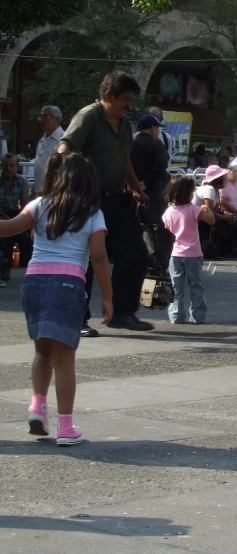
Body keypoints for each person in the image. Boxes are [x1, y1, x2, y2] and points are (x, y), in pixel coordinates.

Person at [0, 153, 112, 446]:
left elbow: (8, 227)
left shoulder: (39, 205)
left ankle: (37, 407)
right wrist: (109, 297)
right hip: (68, 285)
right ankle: (65, 427)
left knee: (42, 352)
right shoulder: (92, 213)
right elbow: (99, 257)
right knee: (65, 359)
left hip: (34, 282)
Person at [58, 71, 153, 334]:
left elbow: (125, 160)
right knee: (86, 259)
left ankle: (123, 313)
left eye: (132, 100)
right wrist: (61, 185)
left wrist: (136, 189)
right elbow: (64, 149)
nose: (129, 105)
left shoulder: (124, 123)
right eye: (126, 99)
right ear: (108, 96)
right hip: (87, 201)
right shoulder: (88, 117)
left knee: (136, 253)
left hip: (117, 199)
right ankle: (78, 319)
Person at [161, 176, 215, 324]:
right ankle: (198, 316)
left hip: (175, 254)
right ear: (188, 194)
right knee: (196, 286)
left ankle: (176, 316)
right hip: (193, 254)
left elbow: (167, 229)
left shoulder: (168, 212)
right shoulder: (193, 209)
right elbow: (211, 220)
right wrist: (207, 209)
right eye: (192, 192)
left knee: (176, 287)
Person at [130, 114, 169, 225]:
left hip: (133, 190)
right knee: (158, 225)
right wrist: (146, 183)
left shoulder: (131, 144)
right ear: (152, 128)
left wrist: (136, 185)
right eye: (157, 128)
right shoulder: (157, 144)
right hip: (155, 191)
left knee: (136, 223)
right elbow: (161, 166)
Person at [0, 153, 32, 277]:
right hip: (2, 212)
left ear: (17, 167)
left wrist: (20, 220)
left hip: (15, 211)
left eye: (12, 165)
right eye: (6, 165)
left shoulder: (22, 181)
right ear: (1, 166)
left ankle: (28, 265)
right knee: (4, 233)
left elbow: (24, 204)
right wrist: (10, 220)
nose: (9, 168)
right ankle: (4, 270)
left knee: (28, 230)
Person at [193, 165, 234, 260]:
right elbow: (210, 212)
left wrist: (227, 216)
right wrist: (226, 217)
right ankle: (213, 252)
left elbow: (215, 210)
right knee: (217, 224)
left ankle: (224, 250)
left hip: (202, 217)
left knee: (225, 222)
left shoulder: (215, 190)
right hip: (196, 219)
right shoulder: (209, 190)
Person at [34, 106, 65, 196]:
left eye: (45, 117)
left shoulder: (63, 139)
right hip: (40, 192)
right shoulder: (42, 140)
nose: (41, 120)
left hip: (55, 192)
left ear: (56, 119)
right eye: (41, 117)